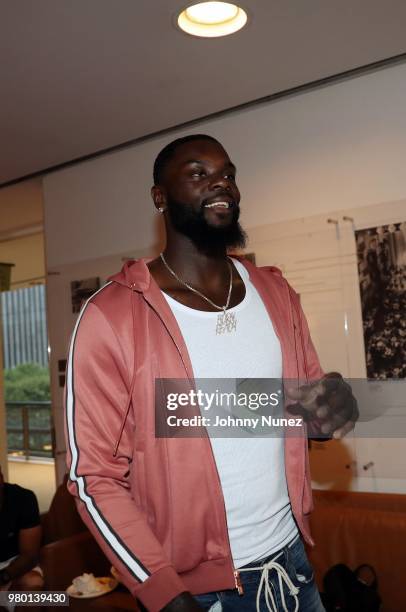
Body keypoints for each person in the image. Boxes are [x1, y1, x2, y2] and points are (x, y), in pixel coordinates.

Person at [65, 134, 358, 611]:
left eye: (228, 173)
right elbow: (92, 475)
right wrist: (160, 589)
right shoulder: (111, 315)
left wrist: (333, 410)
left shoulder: (275, 291)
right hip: (198, 593)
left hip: (293, 571)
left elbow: (306, 414)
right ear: (160, 197)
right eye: (198, 173)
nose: (221, 182)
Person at [0, 465, 44, 597]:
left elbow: (29, 556)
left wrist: (4, 577)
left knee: (34, 584)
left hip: (14, 564)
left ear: (1, 479)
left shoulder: (23, 498)